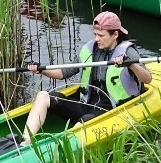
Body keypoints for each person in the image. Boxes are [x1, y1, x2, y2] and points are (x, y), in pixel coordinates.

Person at [22, 11, 152, 144]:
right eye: (95, 34)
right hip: (86, 103)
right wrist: (41, 69)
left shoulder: (128, 52)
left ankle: (60, 149)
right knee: (43, 96)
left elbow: (147, 79)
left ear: (115, 35)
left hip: (111, 109)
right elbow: (62, 73)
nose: (97, 39)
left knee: (83, 122)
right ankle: (25, 141)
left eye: (101, 35)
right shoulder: (90, 49)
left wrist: (131, 65)